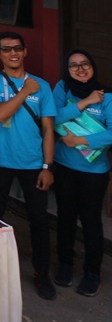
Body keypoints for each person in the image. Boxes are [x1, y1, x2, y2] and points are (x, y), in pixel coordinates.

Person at [0, 31, 58, 301]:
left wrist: (47, 166)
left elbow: (48, 130)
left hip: (33, 163)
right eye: (6, 49)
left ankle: (42, 273)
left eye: (17, 48)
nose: (12, 53)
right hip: (0, 160)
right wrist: (25, 91)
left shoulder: (43, 86)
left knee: (39, 220)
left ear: (25, 51)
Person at [52, 49, 111, 296]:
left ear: (93, 66)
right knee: (65, 217)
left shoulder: (107, 96)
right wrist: (85, 102)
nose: (80, 69)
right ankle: (65, 264)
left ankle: (92, 273)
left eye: (85, 63)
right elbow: (53, 117)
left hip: (94, 172)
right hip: (64, 166)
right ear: (67, 70)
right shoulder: (63, 89)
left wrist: (80, 140)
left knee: (90, 221)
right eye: (73, 65)